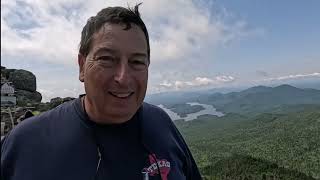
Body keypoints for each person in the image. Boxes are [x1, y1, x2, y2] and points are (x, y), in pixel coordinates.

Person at [1, 4, 202, 180]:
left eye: (137, 62)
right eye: (106, 59)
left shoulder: (161, 123)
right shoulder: (26, 142)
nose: (123, 78)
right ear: (82, 66)